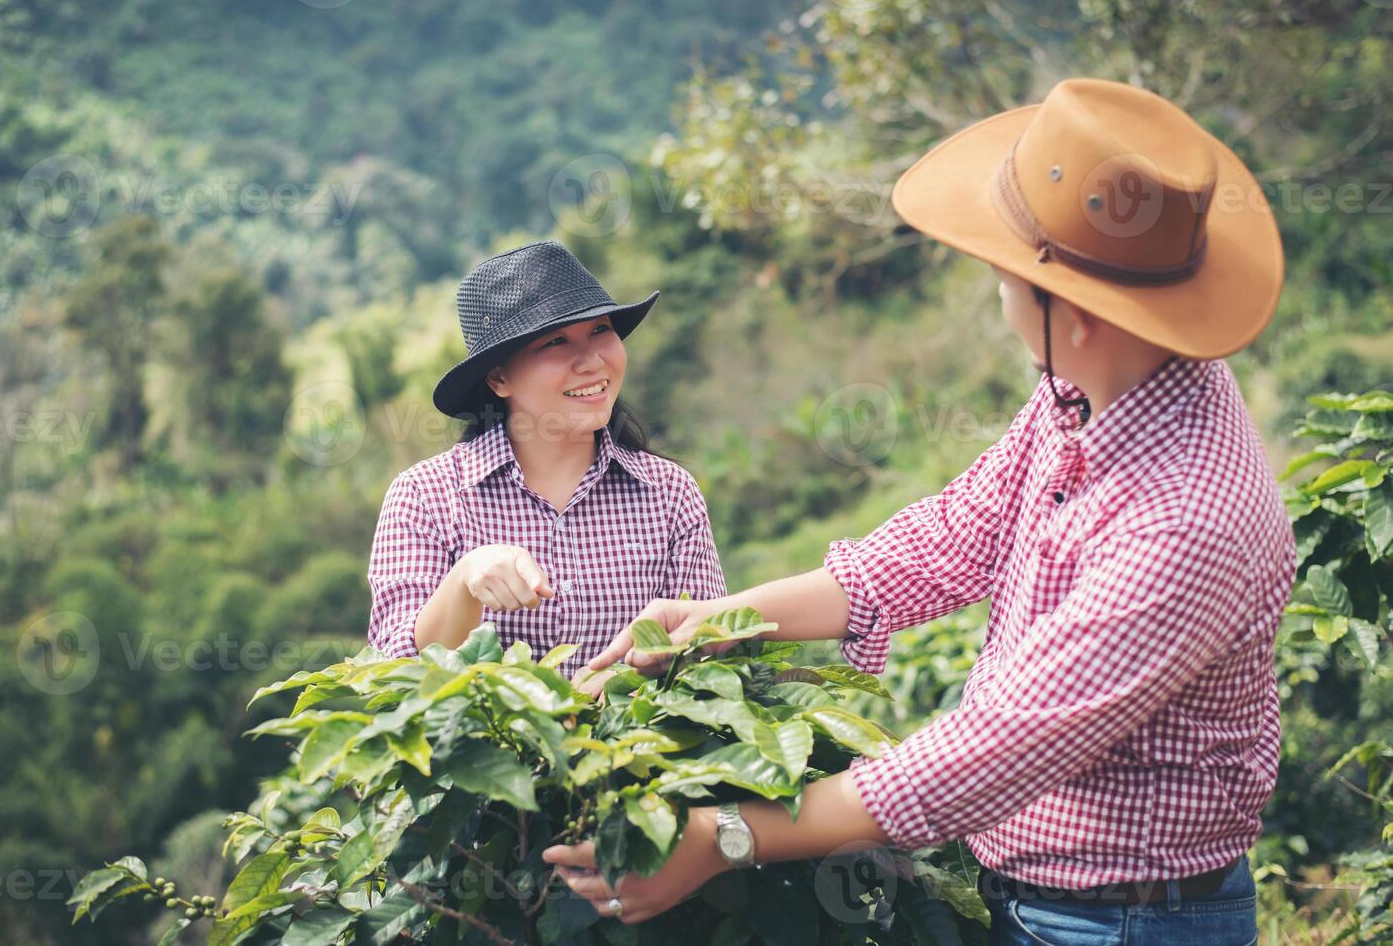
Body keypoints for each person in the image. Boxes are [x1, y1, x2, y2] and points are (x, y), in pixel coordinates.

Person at [546, 79, 1295, 944]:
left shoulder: (1183, 524)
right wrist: (715, 621)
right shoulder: (1096, 386)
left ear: (1074, 316)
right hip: (1042, 899)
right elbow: (947, 541)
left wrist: (721, 838)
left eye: (1003, 275)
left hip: (1124, 923)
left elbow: (987, 753)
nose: (997, 293)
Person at [366, 240, 726, 678]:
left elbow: (707, 663)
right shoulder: (426, 496)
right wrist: (466, 578)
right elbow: (393, 674)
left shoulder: (669, 494)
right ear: (499, 377)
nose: (592, 361)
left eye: (600, 331)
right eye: (556, 342)